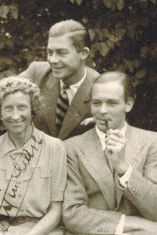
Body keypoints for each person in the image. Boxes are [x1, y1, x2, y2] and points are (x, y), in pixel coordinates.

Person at [63, 71, 157, 235]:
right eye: (96, 103)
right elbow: (72, 213)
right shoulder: (70, 149)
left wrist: (122, 168)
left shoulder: (152, 143)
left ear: (128, 104)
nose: (102, 111)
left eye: (112, 103)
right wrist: (130, 224)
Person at [0, 19, 100, 141]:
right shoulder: (37, 73)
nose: (52, 60)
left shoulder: (100, 87)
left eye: (61, 53)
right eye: (50, 52)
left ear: (84, 53)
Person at [0, 77, 66, 235]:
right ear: (0, 112)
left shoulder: (54, 148)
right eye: (8, 109)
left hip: (43, 231)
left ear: (32, 109)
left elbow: (56, 209)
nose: (15, 116)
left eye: (22, 108)